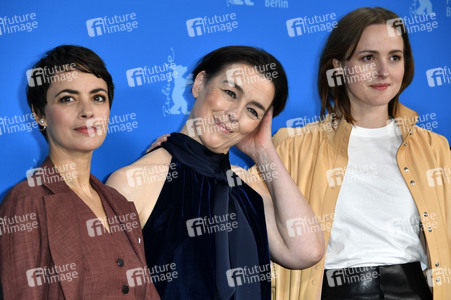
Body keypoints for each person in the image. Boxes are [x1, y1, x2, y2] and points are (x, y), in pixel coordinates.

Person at [106, 46, 325, 299]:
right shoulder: (133, 181)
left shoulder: (248, 185)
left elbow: (306, 251)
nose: (234, 115)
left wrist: (263, 150)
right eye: (230, 93)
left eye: (253, 111)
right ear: (200, 83)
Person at [268, 7, 450, 300]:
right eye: (368, 57)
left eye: (395, 57)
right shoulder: (292, 146)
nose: (383, 71)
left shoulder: (434, 148)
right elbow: (233, 194)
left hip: (414, 290)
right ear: (338, 66)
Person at [0, 45, 160, 299]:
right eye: (68, 98)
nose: (87, 111)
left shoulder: (121, 205)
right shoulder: (25, 203)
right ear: (39, 114)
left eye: (98, 97)